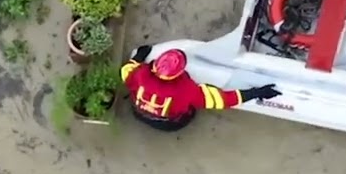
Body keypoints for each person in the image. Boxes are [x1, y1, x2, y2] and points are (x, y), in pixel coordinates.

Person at [120, 45, 281, 132]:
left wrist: (138, 56)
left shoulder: (139, 74)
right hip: (169, 124)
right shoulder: (185, 90)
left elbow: (125, 71)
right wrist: (257, 92)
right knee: (200, 99)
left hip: (138, 113)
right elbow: (222, 100)